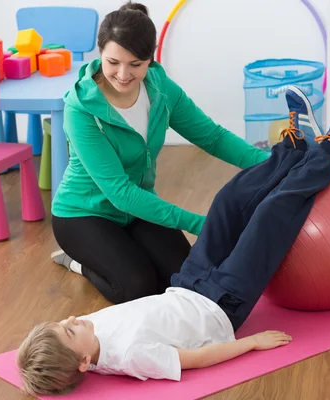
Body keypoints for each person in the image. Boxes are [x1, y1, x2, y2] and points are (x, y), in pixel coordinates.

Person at [16, 87, 330, 396]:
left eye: (62, 323)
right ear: (81, 363)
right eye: (69, 330)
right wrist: (250, 344)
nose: (72, 318)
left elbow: (87, 331)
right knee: (269, 218)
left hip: (187, 284)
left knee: (226, 203)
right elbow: (195, 359)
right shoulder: (131, 357)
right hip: (224, 305)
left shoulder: (87, 335)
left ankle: (292, 148)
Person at [50, 1, 270, 305]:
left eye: (135, 64)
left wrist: (272, 164)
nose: (123, 74)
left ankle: (123, 249)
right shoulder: (80, 109)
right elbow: (120, 193)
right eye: (112, 62)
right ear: (99, 53)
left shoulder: (161, 89)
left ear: (150, 60)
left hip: (139, 208)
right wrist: (199, 223)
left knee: (183, 279)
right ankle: (81, 263)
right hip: (84, 215)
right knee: (137, 287)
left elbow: (213, 137)